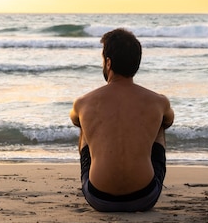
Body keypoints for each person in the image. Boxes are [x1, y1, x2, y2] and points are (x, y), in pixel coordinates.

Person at [70, 28, 174, 212]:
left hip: (99, 198)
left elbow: (75, 120)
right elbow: (169, 121)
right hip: (144, 197)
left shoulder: (83, 102)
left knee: (85, 127)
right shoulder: (159, 101)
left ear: (108, 63)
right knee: (159, 125)